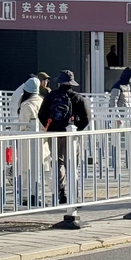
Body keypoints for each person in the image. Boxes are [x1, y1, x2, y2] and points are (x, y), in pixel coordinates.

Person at [38, 71, 91, 205]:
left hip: (55, 133)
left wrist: (50, 127)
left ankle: (60, 194)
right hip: (71, 135)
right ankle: (74, 195)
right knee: (72, 163)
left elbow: (41, 114)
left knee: (58, 162)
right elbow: (86, 119)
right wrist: (76, 129)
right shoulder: (78, 98)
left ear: (59, 82)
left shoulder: (51, 96)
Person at [17, 78, 51, 205]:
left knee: (26, 170)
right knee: (45, 169)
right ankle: (56, 192)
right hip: (43, 139)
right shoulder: (43, 101)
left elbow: (22, 125)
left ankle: (28, 196)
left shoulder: (27, 105)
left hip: (28, 141)